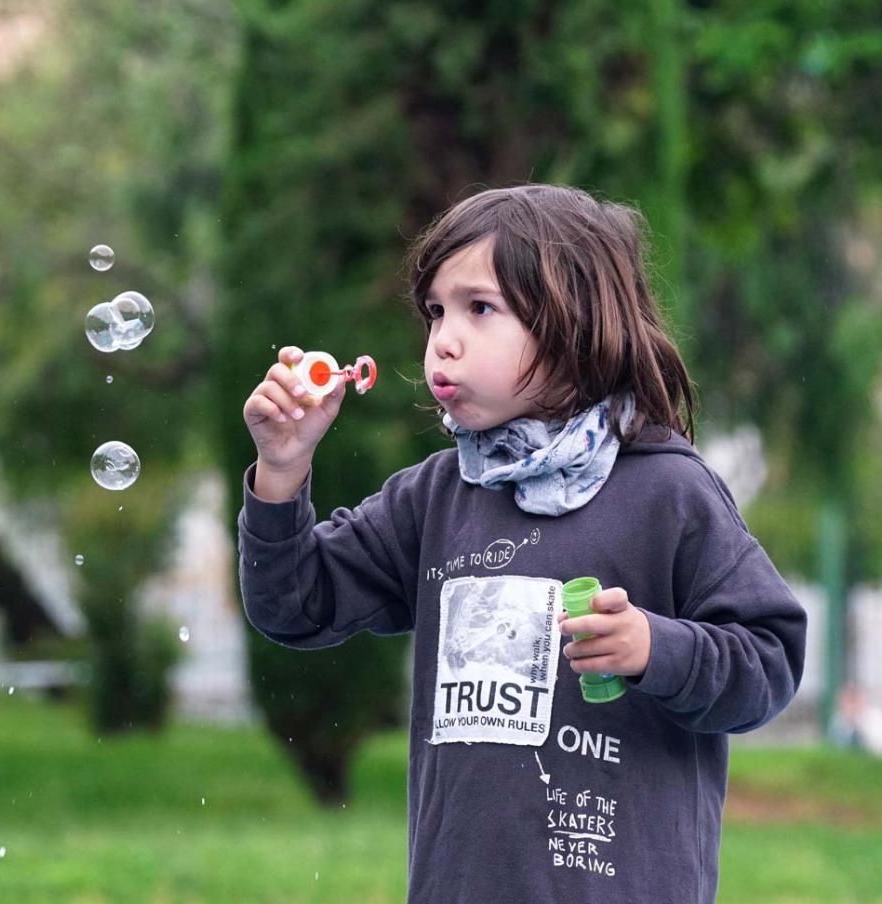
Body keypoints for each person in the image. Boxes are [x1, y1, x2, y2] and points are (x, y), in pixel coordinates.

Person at [237, 184, 807, 904]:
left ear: (575, 321)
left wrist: (654, 649)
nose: (444, 338)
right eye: (436, 311)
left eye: (480, 308)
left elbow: (769, 659)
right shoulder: (436, 496)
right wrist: (282, 474)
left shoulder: (669, 494)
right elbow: (294, 604)